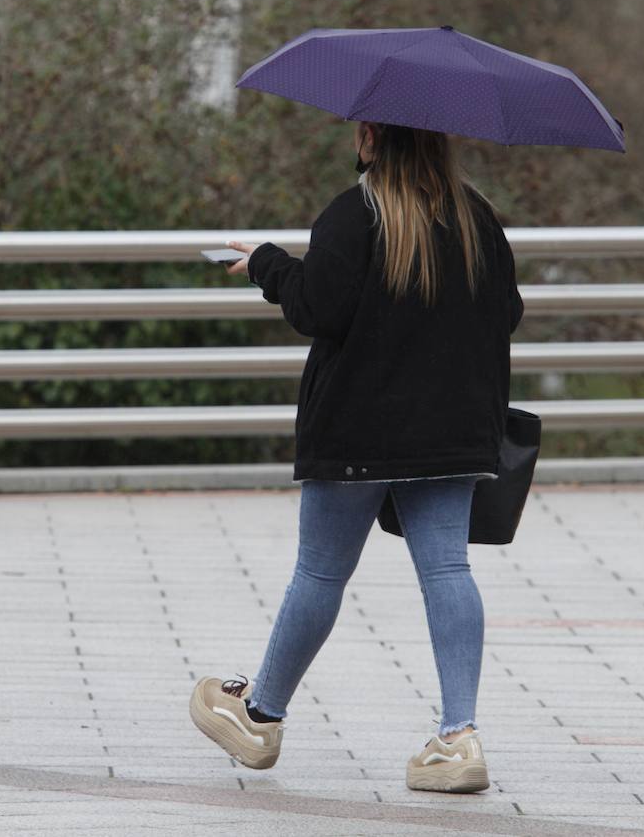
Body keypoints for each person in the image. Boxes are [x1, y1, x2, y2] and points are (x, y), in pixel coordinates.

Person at [187, 119, 524, 794]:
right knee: (447, 569)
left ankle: (259, 716)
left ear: (370, 133)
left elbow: (318, 307)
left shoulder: (355, 212)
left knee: (319, 574)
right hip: (451, 432)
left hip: (356, 433)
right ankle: (459, 738)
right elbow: (507, 312)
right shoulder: (477, 216)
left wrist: (266, 264)